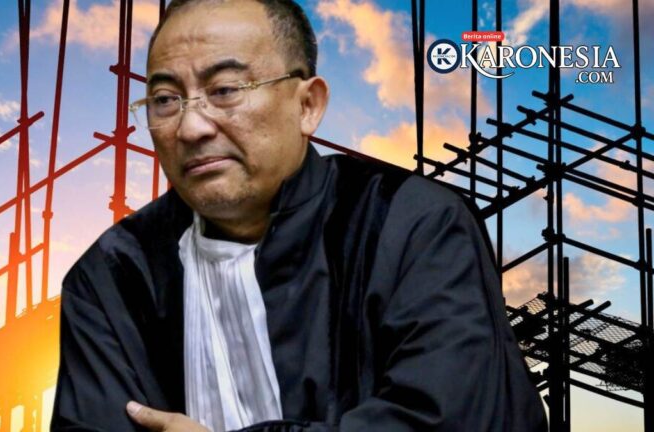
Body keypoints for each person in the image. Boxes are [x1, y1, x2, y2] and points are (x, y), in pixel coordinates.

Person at [51, 0, 548, 431]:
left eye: (225, 90)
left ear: (308, 105)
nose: (191, 127)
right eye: (165, 100)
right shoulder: (111, 278)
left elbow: (457, 420)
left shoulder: (412, 226)